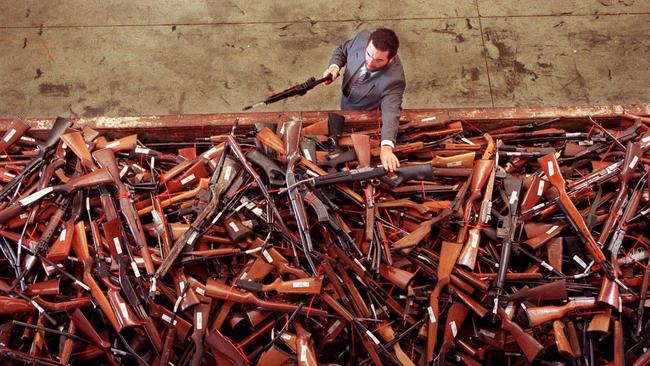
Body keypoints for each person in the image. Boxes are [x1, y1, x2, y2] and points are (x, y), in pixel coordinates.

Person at [322, 27, 405, 172]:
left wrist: (386, 147)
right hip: (347, 99)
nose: (371, 63)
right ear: (367, 45)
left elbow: (391, 112)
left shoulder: (394, 80)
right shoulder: (362, 38)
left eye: (379, 60)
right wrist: (334, 67)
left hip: (364, 112)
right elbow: (342, 50)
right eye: (368, 54)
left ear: (391, 58)